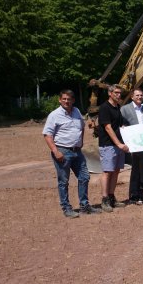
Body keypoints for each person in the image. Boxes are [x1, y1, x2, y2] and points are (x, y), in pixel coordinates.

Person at [42, 90, 99, 218]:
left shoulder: (76, 111)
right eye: (64, 99)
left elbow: (82, 127)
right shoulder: (54, 115)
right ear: (60, 100)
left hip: (77, 151)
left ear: (73, 100)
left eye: (69, 99)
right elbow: (47, 134)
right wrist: (55, 151)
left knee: (84, 177)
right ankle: (66, 208)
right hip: (62, 151)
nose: (66, 101)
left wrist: (81, 142)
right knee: (64, 181)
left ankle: (84, 206)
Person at [97, 85, 129, 212]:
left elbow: (118, 125)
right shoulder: (104, 107)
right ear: (110, 93)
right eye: (116, 92)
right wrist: (118, 144)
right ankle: (104, 199)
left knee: (116, 171)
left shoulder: (117, 107)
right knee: (107, 172)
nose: (118, 95)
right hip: (108, 145)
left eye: (120, 93)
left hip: (118, 145)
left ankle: (111, 197)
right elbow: (108, 127)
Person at [120, 88, 143, 205]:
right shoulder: (124, 109)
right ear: (132, 97)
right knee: (135, 170)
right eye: (137, 95)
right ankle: (134, 195)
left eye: (141, 95)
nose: (139, 97)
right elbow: (120, 124)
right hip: (132, 144)